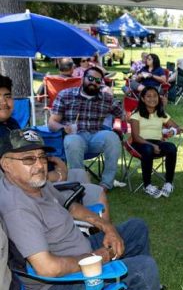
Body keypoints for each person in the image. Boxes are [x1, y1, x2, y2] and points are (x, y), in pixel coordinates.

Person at [0, 128, 183, 290]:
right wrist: (98, 257)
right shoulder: (17, 208)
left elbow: (70, 206)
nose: (39, 165)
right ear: (6, 164)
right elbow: (46, 268)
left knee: (136, 228)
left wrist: (105, 226)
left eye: (41, 156)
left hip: (78, 250)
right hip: (55, 286)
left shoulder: (34, 184)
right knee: (142, 268)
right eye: (28, 159)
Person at [0, 74, 110, 217]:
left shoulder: (11, 123)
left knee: (80, 173)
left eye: (7, 96)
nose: (3, 102)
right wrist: (56, 176)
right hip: (26, 192)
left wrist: (51, 163)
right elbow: (12, 178)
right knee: (96, 193)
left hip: (38, 177)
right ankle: (98, 231)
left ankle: (83, 227)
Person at [48, 66, 123, 191]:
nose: (94, 82)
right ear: (83, 79)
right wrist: (63, 127)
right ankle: (80, 183)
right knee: (73, 141)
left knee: (112, 137)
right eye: (90, 78)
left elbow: (124, 115)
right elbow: (52, 123)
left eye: (98, 81)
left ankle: (106, 184)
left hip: (96, 137)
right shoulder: (66, 95)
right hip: (74, 137)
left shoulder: (106, 99)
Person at [129, 87, 183, 198]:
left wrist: (173, 130)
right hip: (139, 144)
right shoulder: (136, 115)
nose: (152, 98)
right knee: (148, 149)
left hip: (156, 142)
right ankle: (147, 185)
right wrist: (152, 145)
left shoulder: (161, 114)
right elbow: (136, 137)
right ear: (142, 99)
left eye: (155, 96)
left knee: (171, 147)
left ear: (159, 98)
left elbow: (175, 127)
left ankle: (168, 183)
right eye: (148, 96)